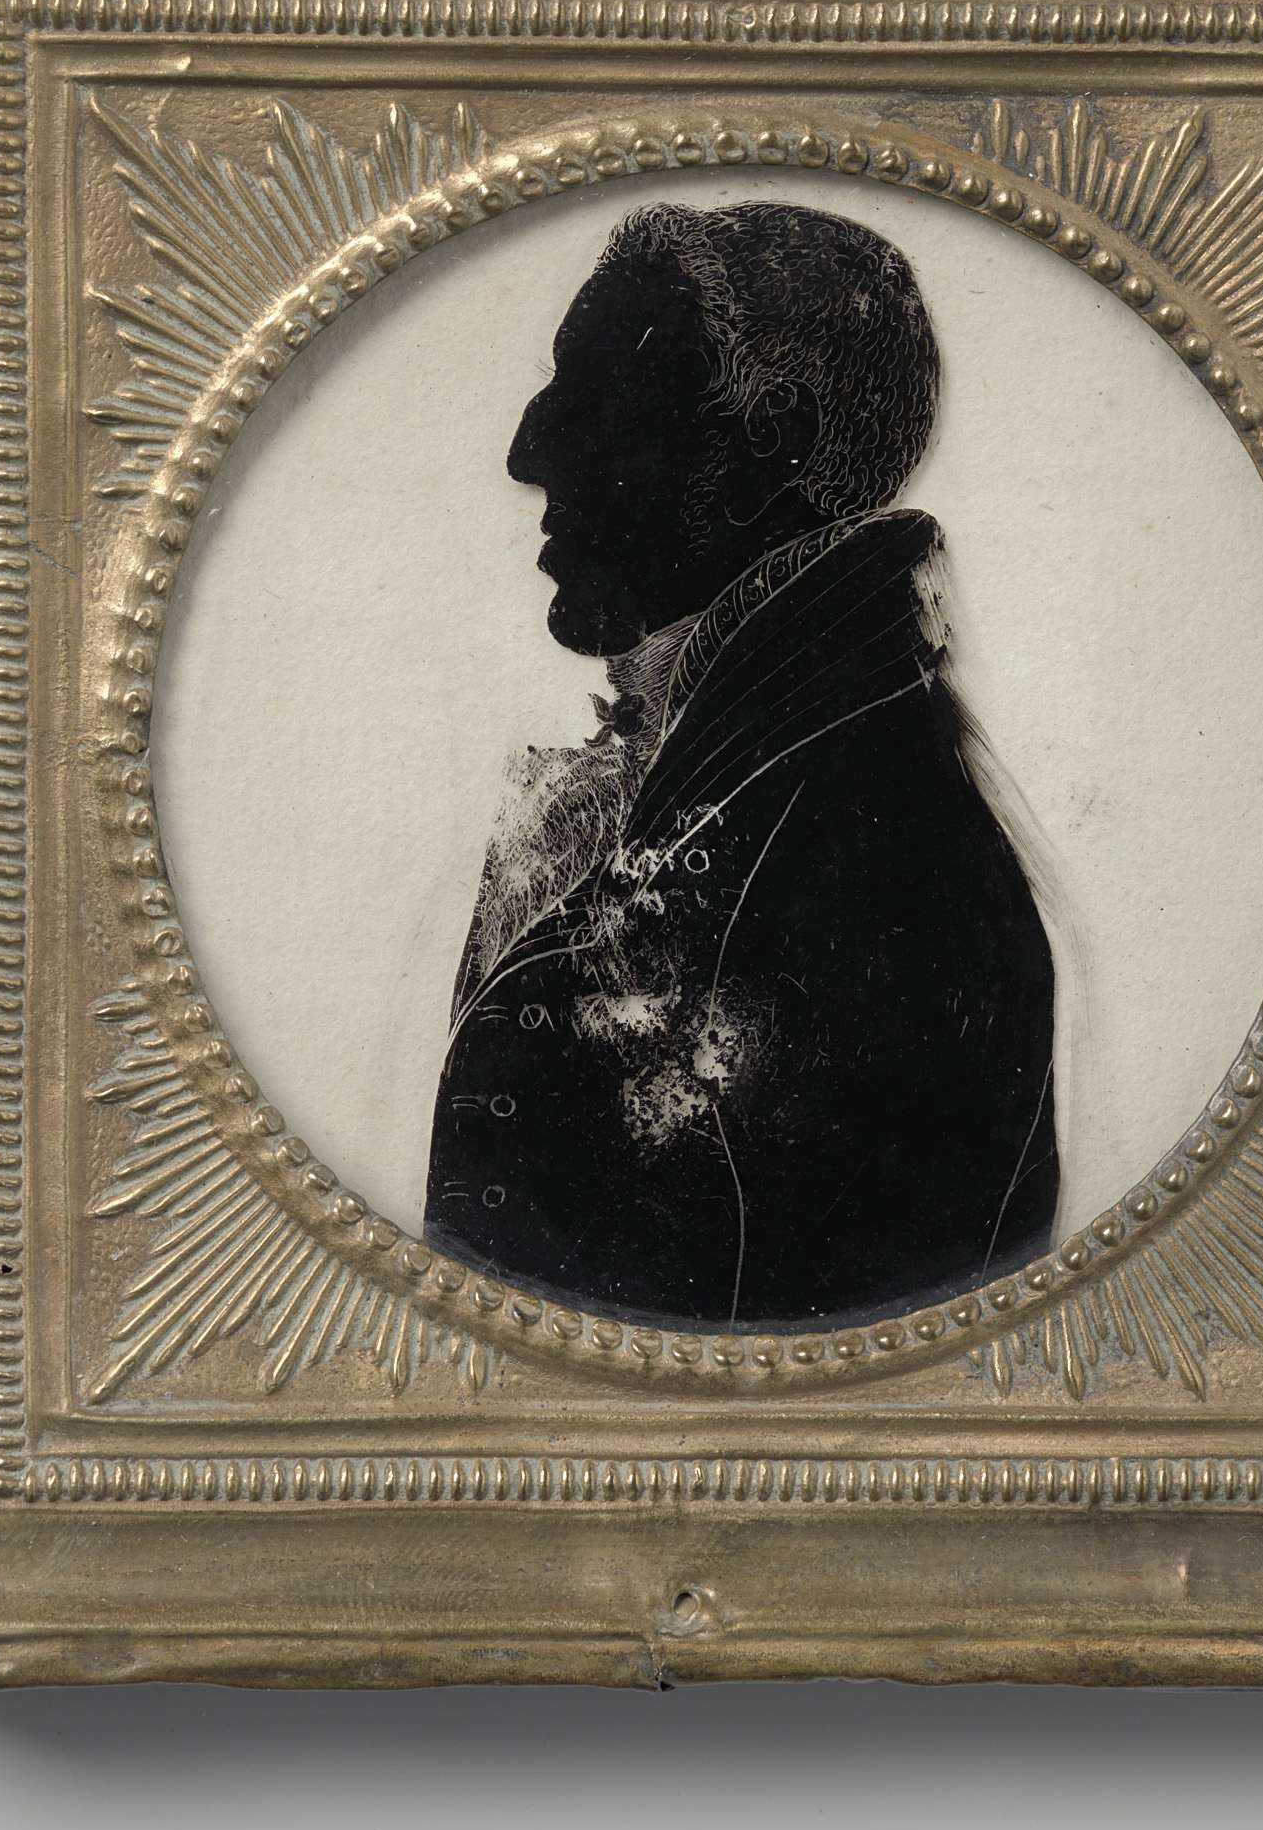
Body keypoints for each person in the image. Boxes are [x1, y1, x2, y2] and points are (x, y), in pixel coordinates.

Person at [423, 200, 1058, 1325]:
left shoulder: (872, 870)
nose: (529, 450)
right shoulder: (780, 786)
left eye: (595, 393)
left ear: (773, 439)